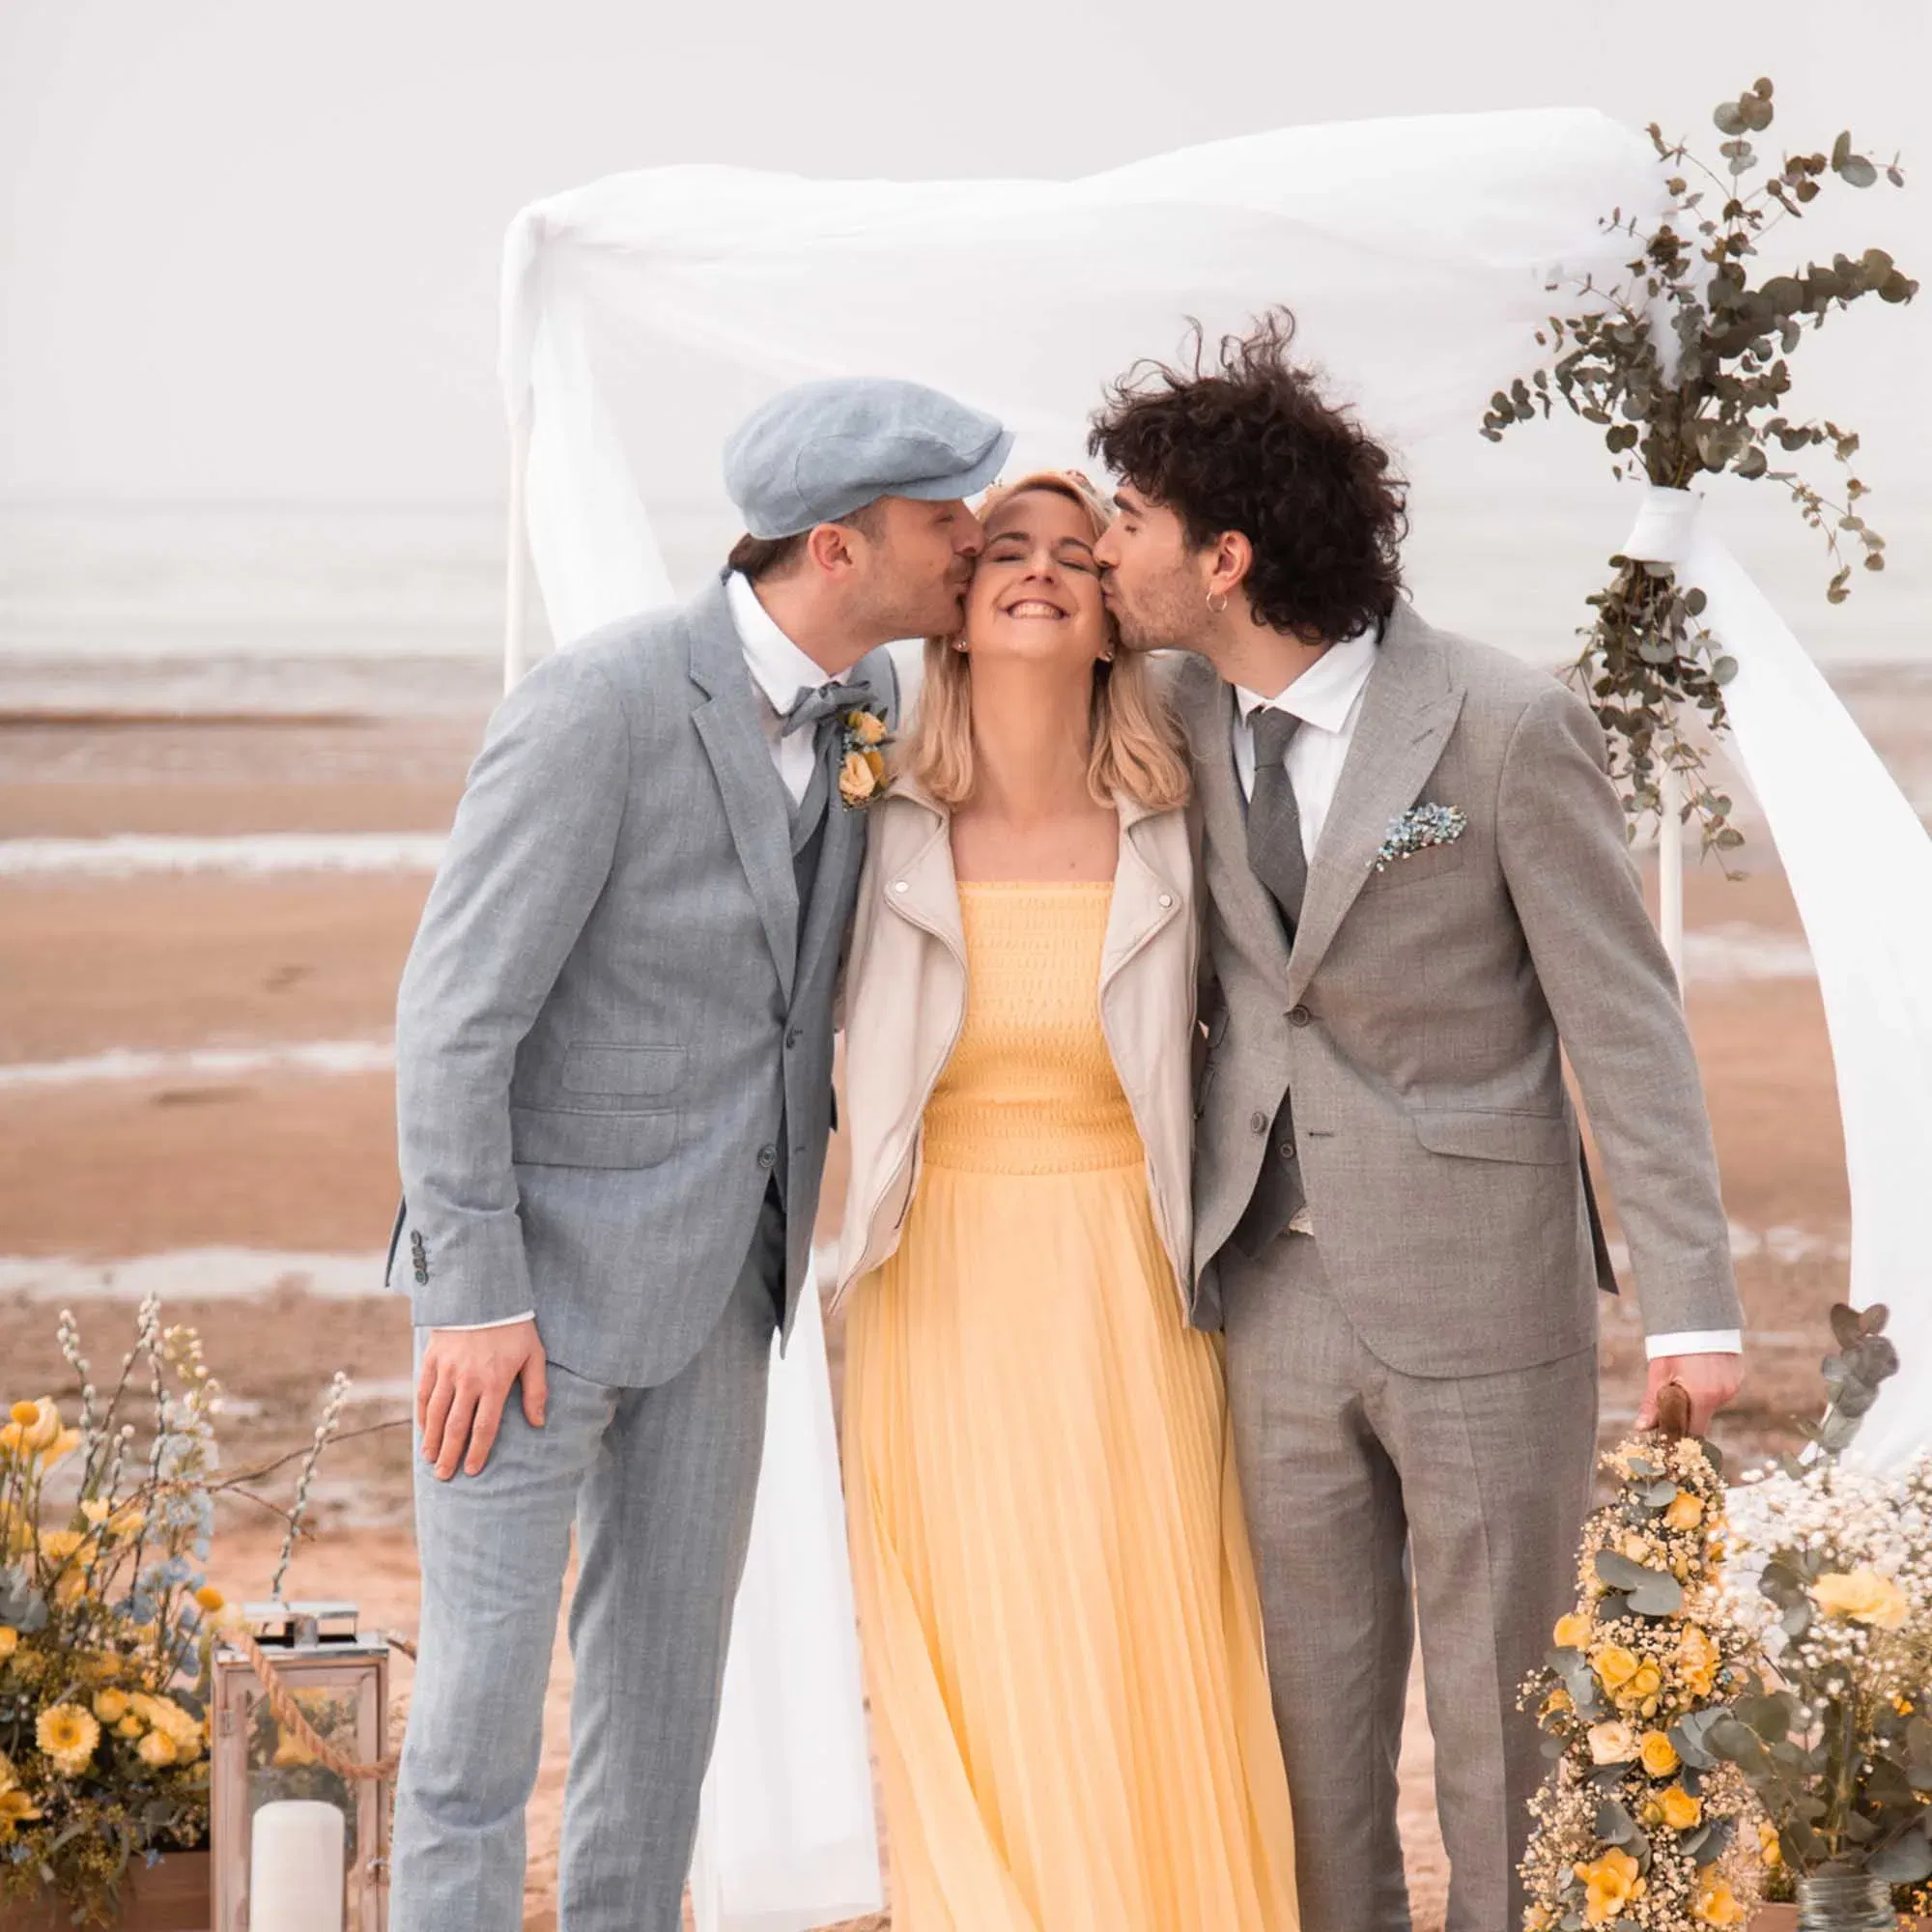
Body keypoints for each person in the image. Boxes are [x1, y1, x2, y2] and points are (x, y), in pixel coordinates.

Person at [1087, 315, 1747, 1932]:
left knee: (1505, 1720)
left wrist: (1696, 1302)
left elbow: (1627, 1023)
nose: (1106, 552)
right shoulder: (1174, 701)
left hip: (1481, 1288)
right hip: (1268, 1288)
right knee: (1310, 1728)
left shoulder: (1506, 724)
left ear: (1225, 555)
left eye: (1129, 523)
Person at [386, 377, 1008, 1932]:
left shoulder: (871, 715)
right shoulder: (598, 704)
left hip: (730, 1299)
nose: (973, 550)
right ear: (835, 547)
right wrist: (474, 1296)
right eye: (946, 525)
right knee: (471, 1738)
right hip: (520, 1312)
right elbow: (454, 1020)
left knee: (663, 1730)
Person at [835, 469, 1301, 1931]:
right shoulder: (874, 816)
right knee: (979, 1651)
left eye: (1076, 558)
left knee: (1131, 1639)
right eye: (1005, 553)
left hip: (1130, 1280)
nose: (1040, 572)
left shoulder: (1183, 812)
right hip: (936, 1284)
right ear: (955, 612)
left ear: (1114, 620)